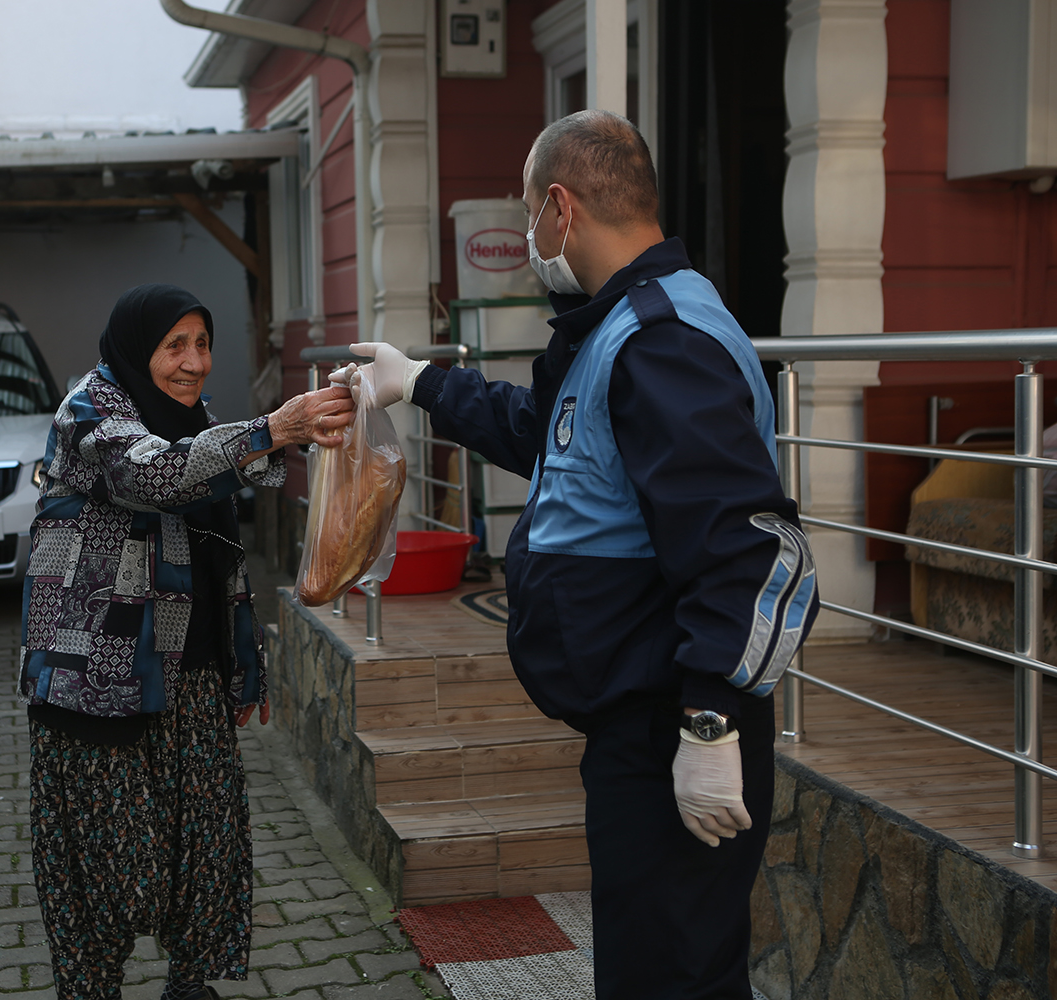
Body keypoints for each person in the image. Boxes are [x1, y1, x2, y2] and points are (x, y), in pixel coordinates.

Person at [338, 110, 820, 999]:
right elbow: (550, 438)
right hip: (638, 720)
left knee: (670, 974)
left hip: (675, 717)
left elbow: (749, 551)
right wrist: (422, 384)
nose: (527, 239)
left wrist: (709, 723)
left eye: (529, 217)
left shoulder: (663, 339)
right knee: (653, 962)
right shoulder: (612, 330)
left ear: (561, 208)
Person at [20, 283, 353, 1000]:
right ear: (139, 347)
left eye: (202, 344)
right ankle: (91, 989)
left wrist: (244, 665)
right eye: (175, 345)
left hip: (190, 672)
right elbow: (155, 473)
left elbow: (217, 547)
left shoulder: (192, 420)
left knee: (207, 846)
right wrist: (272, 427)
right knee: (104, 866)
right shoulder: (90, 409)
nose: (194, 362)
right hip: (92, 678)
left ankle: (188, 985)